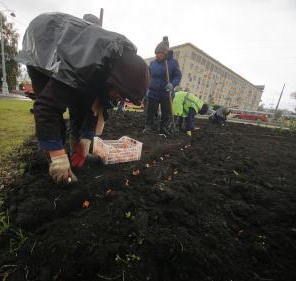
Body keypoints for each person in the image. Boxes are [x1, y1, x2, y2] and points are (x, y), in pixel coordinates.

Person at [16, 12, 149, 186]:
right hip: (43, 41)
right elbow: (46, 108)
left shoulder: (112, 70)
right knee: (54, 106)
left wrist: (85, 140)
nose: (121, 99)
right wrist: (58, 156)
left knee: (81, 103)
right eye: (123, 95)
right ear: (117, 82)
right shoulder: (87, 67)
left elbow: (95, 106)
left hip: (73, 55)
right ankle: (56, 160)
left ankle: (75, 151)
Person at [144, 37, 182, 134]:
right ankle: (149, 126)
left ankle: (163, 127)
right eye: (156, 54)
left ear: (164, 54)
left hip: (166, 93)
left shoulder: (173, 63)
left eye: (159, 54)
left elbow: (178, 76)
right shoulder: (152, 63)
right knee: (151, 112)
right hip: (153, 92)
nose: (157, 56)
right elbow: (148, 75)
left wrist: (172, 84)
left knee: (166, 113)